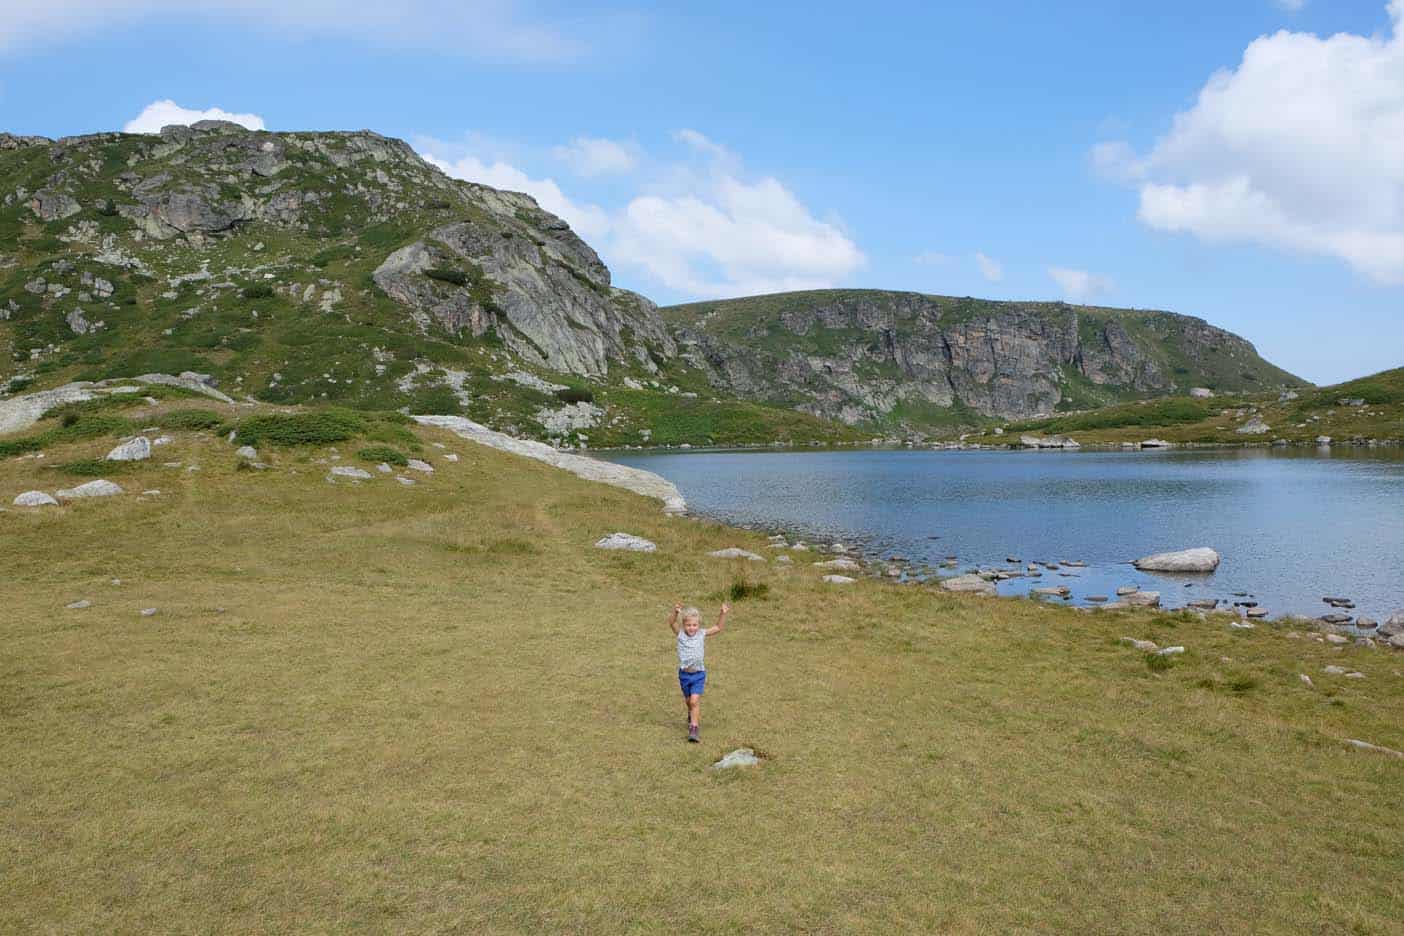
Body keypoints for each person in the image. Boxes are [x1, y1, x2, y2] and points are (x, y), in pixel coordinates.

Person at [668, 601, 729, 743]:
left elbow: (718, 627)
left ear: (698, 625)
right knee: (689, 701)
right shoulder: (681, 634)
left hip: (698, 675)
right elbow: (671, 623)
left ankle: (694, 729)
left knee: (695, 701)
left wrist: (722, 613)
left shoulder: (701, 634)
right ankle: (690, 713)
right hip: (684, 675)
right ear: (684, 625)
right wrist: (675, 613)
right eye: (689, 625)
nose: (692, 628)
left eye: (694, 625)